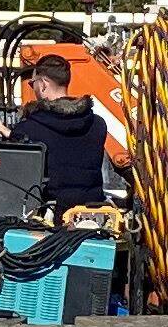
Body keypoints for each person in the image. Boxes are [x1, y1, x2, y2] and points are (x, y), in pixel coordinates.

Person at [7, 53, 113, 210]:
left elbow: (13, 177)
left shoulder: (28, 129)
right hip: (91, 213)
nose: (33, 88)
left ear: (43, 84)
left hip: (50, 217)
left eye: (32, 84)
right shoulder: (98, 124)